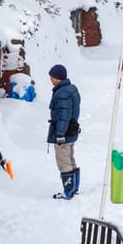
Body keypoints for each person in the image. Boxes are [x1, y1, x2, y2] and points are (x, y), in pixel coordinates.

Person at [46, 64, 81, 199]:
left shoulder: (62, 93)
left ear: (57, 78)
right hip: (71, 130)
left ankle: (68, 191)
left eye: (52, 76)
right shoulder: (70, 89)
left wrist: (60, 133)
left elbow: (63, 115)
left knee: (63, 161)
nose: (50, 78)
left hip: (64, 133)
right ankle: (74, 188)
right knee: (70, 158)